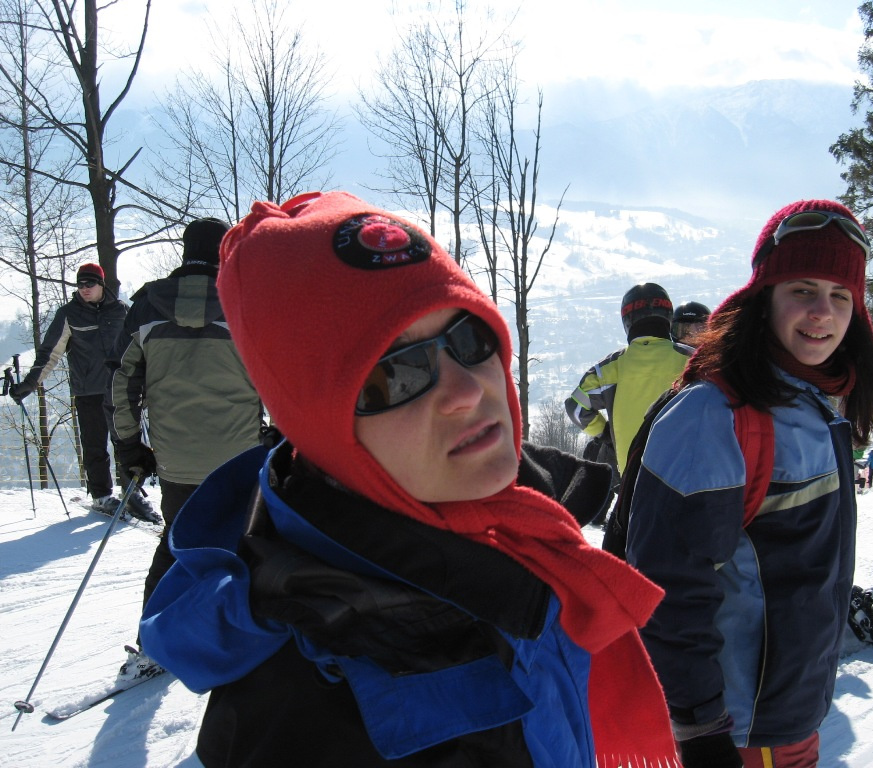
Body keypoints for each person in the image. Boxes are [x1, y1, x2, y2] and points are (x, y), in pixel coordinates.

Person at [139, 191, 679, 767]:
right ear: (321, 428)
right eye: (394, 375)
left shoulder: (521, 536)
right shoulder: (307, 717)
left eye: (469, 339)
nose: (468, 391)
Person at [626, 200, 873, 768]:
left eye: (841, 295)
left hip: (792, 714)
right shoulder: (716, 416)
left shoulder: (817, 403)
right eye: (802, 289)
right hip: (741, 731)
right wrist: (700, 731)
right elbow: (668, 592)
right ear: (765, 296)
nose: (823, 311)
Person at [108, 217, 263, 672]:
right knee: (247, 546)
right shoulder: (244, 303)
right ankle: (243, 644)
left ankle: (153, 647)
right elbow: (276, 376)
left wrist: (130, 448)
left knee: (176, 547)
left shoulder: (144, 307)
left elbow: (121, 384)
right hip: (240, 455)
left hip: (175, 459)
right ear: (223, 253)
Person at [6, 263, 150, 516]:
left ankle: (132, 493)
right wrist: (29, 385)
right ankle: (102, 497)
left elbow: (139, 349)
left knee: (127, 442)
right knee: (94, 446)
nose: (84, 289)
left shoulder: (121, 311)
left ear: (101, 284)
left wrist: (147, 382)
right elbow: (49, 354)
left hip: (122, 390)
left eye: (89, 284)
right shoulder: (68, 315)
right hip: (89, 391)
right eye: (80, 284)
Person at [565, 283, 689, 474]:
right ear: (668, 316)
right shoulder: (692, 360)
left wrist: (606, 434)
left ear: (628, 320)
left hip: (633, 482)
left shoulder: (608, 369)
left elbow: (576, 408)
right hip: (685, 479)